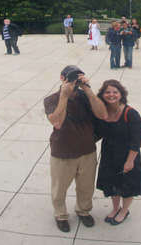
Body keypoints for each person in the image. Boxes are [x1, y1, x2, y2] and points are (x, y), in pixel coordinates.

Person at [44, 65, 107, 232]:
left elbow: (103, 115)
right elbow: (57, 122)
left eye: (77, 78)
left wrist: (87, 89)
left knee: (86, 186)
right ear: (62, 79)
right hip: (63, 152)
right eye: (71, 78)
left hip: (87, 150)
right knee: (60, 188)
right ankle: (60, 215)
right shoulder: (51, 99)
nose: (74, 82)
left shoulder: (85, 96)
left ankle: (83, 210)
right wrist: (64, 96)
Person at [95, 80, 141, 226]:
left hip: (127, 155)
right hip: (109, 155)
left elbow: (137, 139)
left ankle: (124, 210)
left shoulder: (131, 113)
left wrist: (130, 161)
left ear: (121, 94)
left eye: (115, 92)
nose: (111, 95)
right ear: (102, 95)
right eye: (107, 92)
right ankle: (116, 208)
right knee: (112, 184)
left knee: (127, 186)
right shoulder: (102, 112)